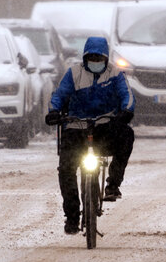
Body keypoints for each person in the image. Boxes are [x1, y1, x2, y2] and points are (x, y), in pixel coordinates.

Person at [45, 37, 135, 235]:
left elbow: (127, 96)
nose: (96, 61)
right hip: (76, 129)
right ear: (85, 57)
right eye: (91, 57)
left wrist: (126, 112)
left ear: (105, 58)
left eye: (99, 57)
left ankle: (113, 184)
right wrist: (54, 111)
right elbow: (59, 95)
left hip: (105, 127)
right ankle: (72, 216)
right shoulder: (74, 73)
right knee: (66, 169)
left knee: (127, 135)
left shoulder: (116, 74)